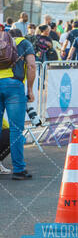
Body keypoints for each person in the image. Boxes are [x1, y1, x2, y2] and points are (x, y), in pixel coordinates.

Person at [0, 28, 36, 179]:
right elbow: (32, 65)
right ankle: (19, 170)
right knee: (15, 129)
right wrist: (30, 89)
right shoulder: (25, 43)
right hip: (14, 86)